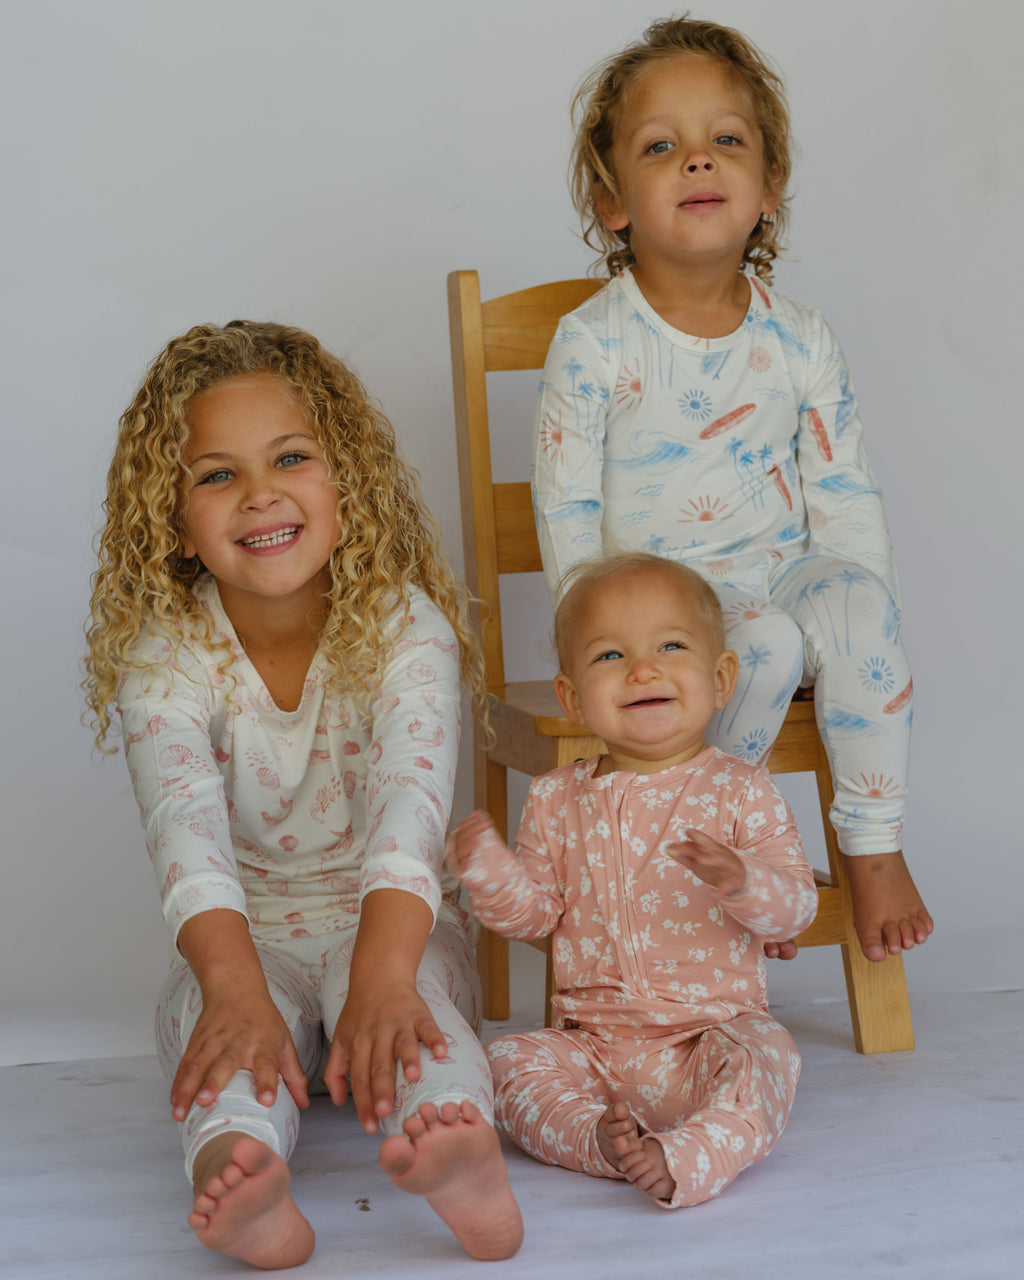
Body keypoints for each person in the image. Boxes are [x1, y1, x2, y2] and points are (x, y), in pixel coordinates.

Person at [83, 320, 523, 1268]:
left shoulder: (407, 627)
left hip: (392, 920)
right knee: (208, 1033)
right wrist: (234, 991)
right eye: (215, 474)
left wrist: (383, 975)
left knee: (428, 1011)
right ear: (171, 517)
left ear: (347, 481)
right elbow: (185, 837)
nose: (260, 495)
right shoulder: (164, 656)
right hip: (248, 932)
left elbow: (412, 813)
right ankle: (237, 1174)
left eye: (290, 457)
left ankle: (463, 1154)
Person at [531, 15, 932, 964]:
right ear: (613, 200)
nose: (697, 161)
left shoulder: (801, 339)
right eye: (661, 146)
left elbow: (844, 489)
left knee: (848, 612)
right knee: (757, 644)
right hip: (661, 608)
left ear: (770, 188)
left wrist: (869, 614)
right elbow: (566, 502)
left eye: (726, 141)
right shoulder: (595, 343)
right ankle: (725, 853)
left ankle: (873, 847)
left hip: (786, 575)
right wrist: (594, 638)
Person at [448, 552, 817, 1207]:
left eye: (671, 646)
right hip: (594, 1047)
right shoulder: (557, 797)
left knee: (771, 1056)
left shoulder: (741, 792)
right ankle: (601, 1141)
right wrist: (491, 872)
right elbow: (531, 918)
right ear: (571, 696)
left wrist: (743, 879)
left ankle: (692, 1155)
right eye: (609, 656)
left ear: (721, 676)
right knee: (502, 1062)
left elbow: (794, 913)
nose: (643, 669)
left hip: (710, 1035)